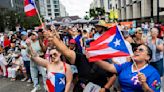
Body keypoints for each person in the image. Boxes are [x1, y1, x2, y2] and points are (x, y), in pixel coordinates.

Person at [47, 30, 116, 92]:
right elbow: (66, 51)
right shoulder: (81, 58)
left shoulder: (104, 61)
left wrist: (105, 88)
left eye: (91, 49)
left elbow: (113, 76)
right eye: (87, 48)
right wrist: (54, 39)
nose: (88, 51)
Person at [95, 44, 161, 92]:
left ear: (148, 57)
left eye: (141, 50)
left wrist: (144, 84)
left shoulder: (153, 73)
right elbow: (109, 67)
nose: (136, 51)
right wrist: (93, 58)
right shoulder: (127, 65)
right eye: (135, 49)